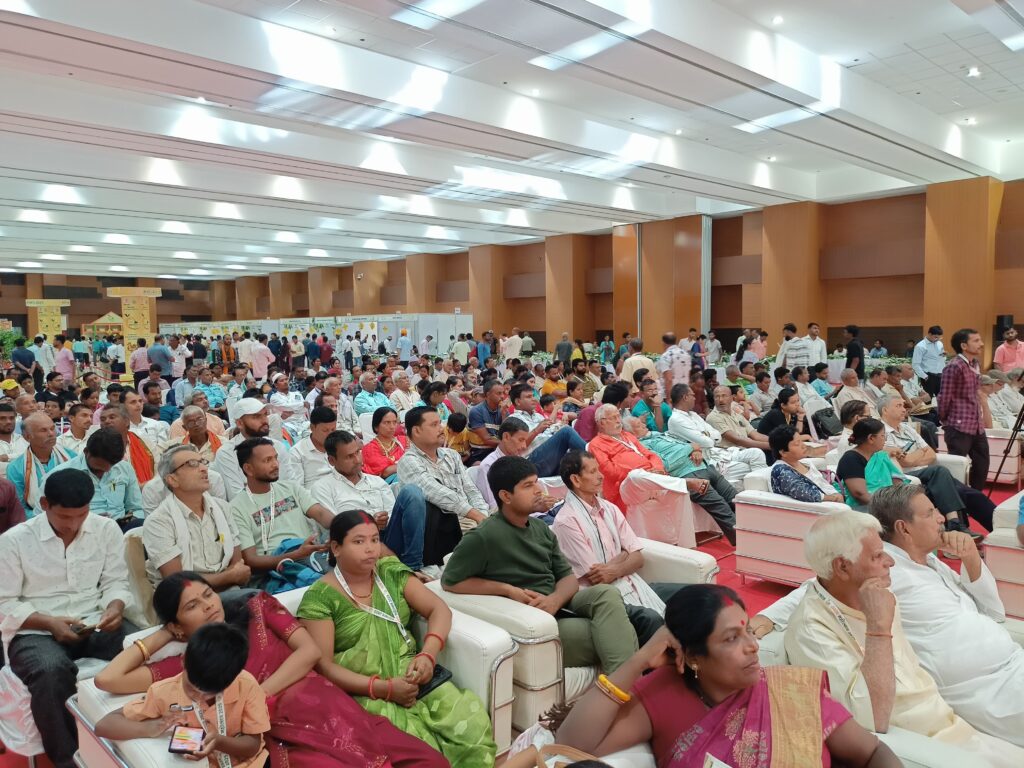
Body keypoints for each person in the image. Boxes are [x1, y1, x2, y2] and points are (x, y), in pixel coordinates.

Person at [94, 572, 449, 768]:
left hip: (332, 708)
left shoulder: (257, 608)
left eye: (208, 594)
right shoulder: (192, 666)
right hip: (283, 736)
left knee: (432, 763)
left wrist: (258, 692)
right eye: (192, 606)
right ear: (177, 624)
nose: (208, 606)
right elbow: (107, 679)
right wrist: (164, 634)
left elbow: (309, 652)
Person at [556, 584, 897, 768]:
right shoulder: (664, 695)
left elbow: (873, 754)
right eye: (731, 638)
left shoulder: (791, 693)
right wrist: (638, 660)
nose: (753, 646)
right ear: (693, 657)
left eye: (748, 631)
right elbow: (572, 744)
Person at [784, 511, 1023, 767]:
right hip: (917, 747)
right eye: (877, 556)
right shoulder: (812, 628)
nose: (890, 561)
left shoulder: (877, 593)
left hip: (955, 724)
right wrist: (878, 627)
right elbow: (872, 720)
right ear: (842, 567)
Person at [298, 510, 496, 766]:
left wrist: (428, 655)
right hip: (363, 690)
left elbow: (438, 610)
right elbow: (324, 667)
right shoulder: (320, 598)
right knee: (419, 748)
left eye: (375, 539)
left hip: (413, 673)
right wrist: (385, 688)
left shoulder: (390, 572)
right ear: (336, 548)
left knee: (470, 723)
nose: (370, 549)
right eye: (358, 541)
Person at [444, 455, 639, 673]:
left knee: (607, 594)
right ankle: (624, 687)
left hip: (559, 604)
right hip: (533, 619)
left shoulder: (541, 528)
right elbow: (450, 581)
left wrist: (555, 600)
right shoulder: (484, 536)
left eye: (536, 482)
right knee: (621, 632)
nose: (538, 490)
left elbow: (568, 578)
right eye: (528, 486)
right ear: (506, 496)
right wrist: (506, 589)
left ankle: (622, 684)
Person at [0, 468, 136, 768]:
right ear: (44, 504)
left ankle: (136, 740)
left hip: (94, 619)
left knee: (143, 647)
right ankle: (69, 760)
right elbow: (4, 603)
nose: (73, 524)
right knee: (51, 670)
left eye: (82, 515)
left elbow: (116, 582)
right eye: (64, 516)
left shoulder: (106, 529)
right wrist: (49, 622)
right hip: (35, 630)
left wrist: (115, 607)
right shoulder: (14, 541)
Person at [870, 484, 1024, 745]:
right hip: (986, 691)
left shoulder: (931, 562)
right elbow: (820, 588)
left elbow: (994, 613)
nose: (942, 518)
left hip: (1013, 664)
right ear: (903, 528)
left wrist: (971, 558)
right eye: (930, 513)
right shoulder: (886, 572)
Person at [553, 450, 686, 645]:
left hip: (633, 583)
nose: (601, 476)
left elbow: (638, 558)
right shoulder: (567, 521)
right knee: (651, 619)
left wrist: (616, 566)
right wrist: (625, 554)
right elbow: (598, 577)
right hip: (606, 598)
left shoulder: (610, 508)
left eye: (599, 470)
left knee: (693, 594)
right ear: (576, 480)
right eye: (593, 472)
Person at [97, 623, 270, 767]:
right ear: (183, 659)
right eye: (192, 688)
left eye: (209, 694)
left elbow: (253, 746)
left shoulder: (246, 684)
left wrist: (219, 742)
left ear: (233, 678)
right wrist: (150, 728)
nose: (199, 697)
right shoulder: (163, 692)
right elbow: (103, 725)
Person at [312, 429, 432, 578]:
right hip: (356, 544)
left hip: (387, 538)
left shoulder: (376, 482)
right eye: (349, 456)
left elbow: (391, 513)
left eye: (358, 452)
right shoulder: (322, 488)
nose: (357, 460)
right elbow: (336, 528)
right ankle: (405, 572)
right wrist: (369, 522)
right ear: (332, 460)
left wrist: (384, 520)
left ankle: (413, 565)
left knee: (412, 492)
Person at [877, 394, 992, 533]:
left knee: (972, 495)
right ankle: (957, 525)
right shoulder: (880, 432)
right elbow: (905, 461)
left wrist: (915, 456)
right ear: (885, 410)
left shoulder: (907, 428)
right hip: (907, 477)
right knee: (938, 471)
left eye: (903, 405)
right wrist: (921, 452)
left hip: (928, 475)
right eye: (898, 406)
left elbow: (930, 454)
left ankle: (1000, 527)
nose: (904, 409)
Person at [143, 444, 251, 589]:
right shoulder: (158, 522)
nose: (204, 468)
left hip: (231, 589)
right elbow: (177, 582)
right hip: (187, 597)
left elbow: (237, 564)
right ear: (172, 480)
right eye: (192, 464)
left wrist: (231, 576)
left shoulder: (222, 508)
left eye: (202, 462)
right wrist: (229, 576)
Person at [229, 437, 334, 585]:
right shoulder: (236, 507)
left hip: (309, 556)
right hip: (273, 570)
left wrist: (341, 529)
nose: (275, 464)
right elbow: (251, 561)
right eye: (267, 460)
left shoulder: (291, 488)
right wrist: (295, 555)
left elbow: (321, 514)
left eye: (275, 458)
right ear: (248, 469)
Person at [396, 407, 486, 565]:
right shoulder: (408, 461)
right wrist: (476, 516)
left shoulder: (452, 455)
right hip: (444, 528)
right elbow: (436, 492)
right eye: (434, 425)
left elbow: (471, 490)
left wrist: (483, 515)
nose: (441, 428)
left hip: (471, 518)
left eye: (440, 423)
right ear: (416, 431)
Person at [667, 383, 767, 489]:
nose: (695, 398)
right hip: (707, 459)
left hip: (721, 453)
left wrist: (705, 434)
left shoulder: (693, 415)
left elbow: (717, 435)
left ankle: (759, 492)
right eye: (692, 395)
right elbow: (707, 442)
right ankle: (760, 494)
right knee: (748, 468)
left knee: (757, 453)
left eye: (724, 396)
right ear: (685, 397)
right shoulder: (676, 419)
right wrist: (707, 435)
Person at [50, 427, 143, 529]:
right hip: (81, 529)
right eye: (97, 470)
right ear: (86, 452)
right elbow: (48, 518)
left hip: (121, 528)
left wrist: (132, 519)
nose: (104, 473)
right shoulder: (61, 475)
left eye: (110, 468)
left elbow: (137, 507)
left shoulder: (124, 468)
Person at [587, 403, 667, 512]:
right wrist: (642, 472)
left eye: (618, 416)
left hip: (649, 476)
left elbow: (650, 454)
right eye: (613, 418)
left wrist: (657, 468)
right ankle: (683, 483)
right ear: (602, 422)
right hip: (626, 486)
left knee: (678, 494)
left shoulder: (627, 435)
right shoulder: (596, 444)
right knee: (669, 487)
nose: (618, 420)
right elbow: (610, 471)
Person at [211, 398, 296, 499]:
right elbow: (237, 496)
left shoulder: (277, 446)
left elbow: (291, 483)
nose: (264, 420)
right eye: (256, 417)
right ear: (240, 423)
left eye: (265, 414)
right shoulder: (227, 453)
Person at [939, 328, 989, 491]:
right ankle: (957, 499)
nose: (981, 344)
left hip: (976, 425)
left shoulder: (975, 364)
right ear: (964, 345)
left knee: (982, 464)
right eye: (976, 341)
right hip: (958, 424)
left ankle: (975, 497)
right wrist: (945, 420)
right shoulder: (954, 366)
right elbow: (944, 396)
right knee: (958, 466)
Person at [7, 412, 75, 515]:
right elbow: (19, 508)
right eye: (43, 430)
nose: (51, 433)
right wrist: (46, 518)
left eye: (52, 428)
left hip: (74, 512)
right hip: (36, 518)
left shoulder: (71, 456)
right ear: (27, 437)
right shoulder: (15, 468)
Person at [768, 425, 845, 503]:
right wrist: (833, 498)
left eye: (802, 441)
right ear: (783, 452)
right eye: (797, 444)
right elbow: (802, 492)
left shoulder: (805, 463)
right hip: (823, 506)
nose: (804, 446)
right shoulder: (781, 471)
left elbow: (823, 483)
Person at [280, 406, 336, 487]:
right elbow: (298, 488)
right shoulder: (297, 453)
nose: (330, 434)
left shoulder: (339, 445)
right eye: (325, 430)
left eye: (333, 430)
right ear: (312, 428)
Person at [705, 385, 771, 453]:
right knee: (759, 452)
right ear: (714, 399)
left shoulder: (737, 415)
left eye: (724, 396)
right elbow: (738, 440)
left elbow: (756, 435)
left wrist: (774, 441)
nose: (720, 400)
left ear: (731, 398)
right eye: (717, 397)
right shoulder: (713, 417)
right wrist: (770, 445)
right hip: (729, 453)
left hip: (745, 450)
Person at [361, 406, 408, 483]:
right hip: (388, 484)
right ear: (376, 426)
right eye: (387, 423)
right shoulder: (370, 448)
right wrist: (410, 465)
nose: (392, 427)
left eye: (394, 422)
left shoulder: (404, 440)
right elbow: (385, 472)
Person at [912, 325, 945, 397]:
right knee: (928, 399)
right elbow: (915, 364)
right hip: (928, 376)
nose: (937, 339)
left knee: (942, 399)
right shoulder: (920, 346)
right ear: (929, 334)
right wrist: (925, 376)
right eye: (935, 337)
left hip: (940, 375)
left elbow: (941, 357)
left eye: (939, 337)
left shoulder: (940, 343)